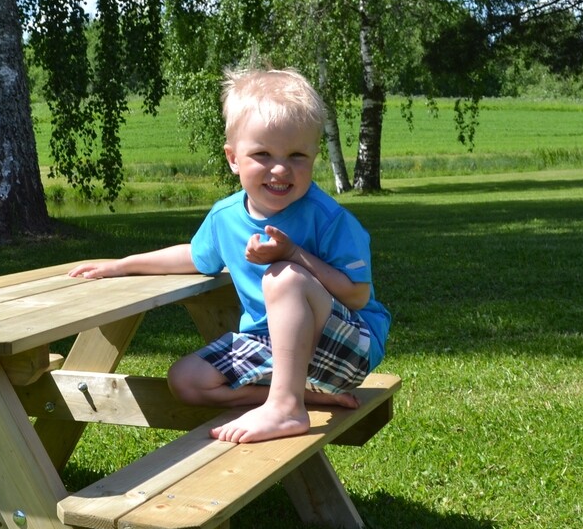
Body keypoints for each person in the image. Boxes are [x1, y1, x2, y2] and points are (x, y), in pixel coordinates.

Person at [69, 66, 390, 443]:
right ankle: (297, 395)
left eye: (297, 155)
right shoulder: (225, 217)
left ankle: (286, 408)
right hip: (274, 346)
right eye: (262, 154)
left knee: (282, 276)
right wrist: (122, 265)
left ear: (315, 156)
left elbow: (357, 295)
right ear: (233, 158)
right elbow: (195, 256)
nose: (280, 168)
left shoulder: (329, 218)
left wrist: (294, 254)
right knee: (186, 381)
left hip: (349, 347)